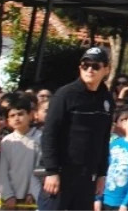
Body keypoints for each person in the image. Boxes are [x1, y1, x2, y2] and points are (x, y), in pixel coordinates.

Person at [37, 46, 114, 211]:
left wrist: (102, 173)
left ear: (106, 69)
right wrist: (51, 171)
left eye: (96, 66)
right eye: (85, 65)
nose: (90, 70)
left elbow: (104, 138)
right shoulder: (65, 95)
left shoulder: (106, 99)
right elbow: (50, 134)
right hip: (61, 173)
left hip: (87, 177)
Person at [0, 102, 41, 211]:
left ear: (30, 115)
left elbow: (39, 168)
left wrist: (33, 192)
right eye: (12, 116)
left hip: (32, 197)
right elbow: (3, 171)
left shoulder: (39, 137)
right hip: (10, 198)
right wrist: (8, 195)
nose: (17, 118)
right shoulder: (7, 141)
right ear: (8, 120)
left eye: (20, 114)